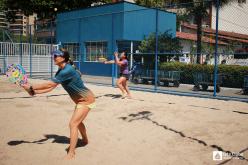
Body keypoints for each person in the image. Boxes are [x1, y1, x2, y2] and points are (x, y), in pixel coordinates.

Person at [22, 49, 95, 160]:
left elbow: (49, 83)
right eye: (53, 55)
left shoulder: (67, 70)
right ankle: (85, 140)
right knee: (78, 123)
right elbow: (51, 87)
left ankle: (71, 153)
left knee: (73, 124)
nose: (54, 57)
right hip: (81, 100)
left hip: (86, 99)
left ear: (63, 58)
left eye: (56, 55)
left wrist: (31, 87)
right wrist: (35, 92)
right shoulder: (60, 71)